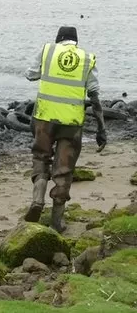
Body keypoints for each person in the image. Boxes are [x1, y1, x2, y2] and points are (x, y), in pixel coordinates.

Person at [24, 26, 106, 232]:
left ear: (58, 39)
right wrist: (101, 128)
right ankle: (57, 221)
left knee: (41, 157)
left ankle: (37, 199)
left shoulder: (47, 50)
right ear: (75, 42)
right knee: (64, 167)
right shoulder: (87, 58)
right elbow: (94, 95)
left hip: (44, 117)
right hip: (72, 122)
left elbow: (30, 75)